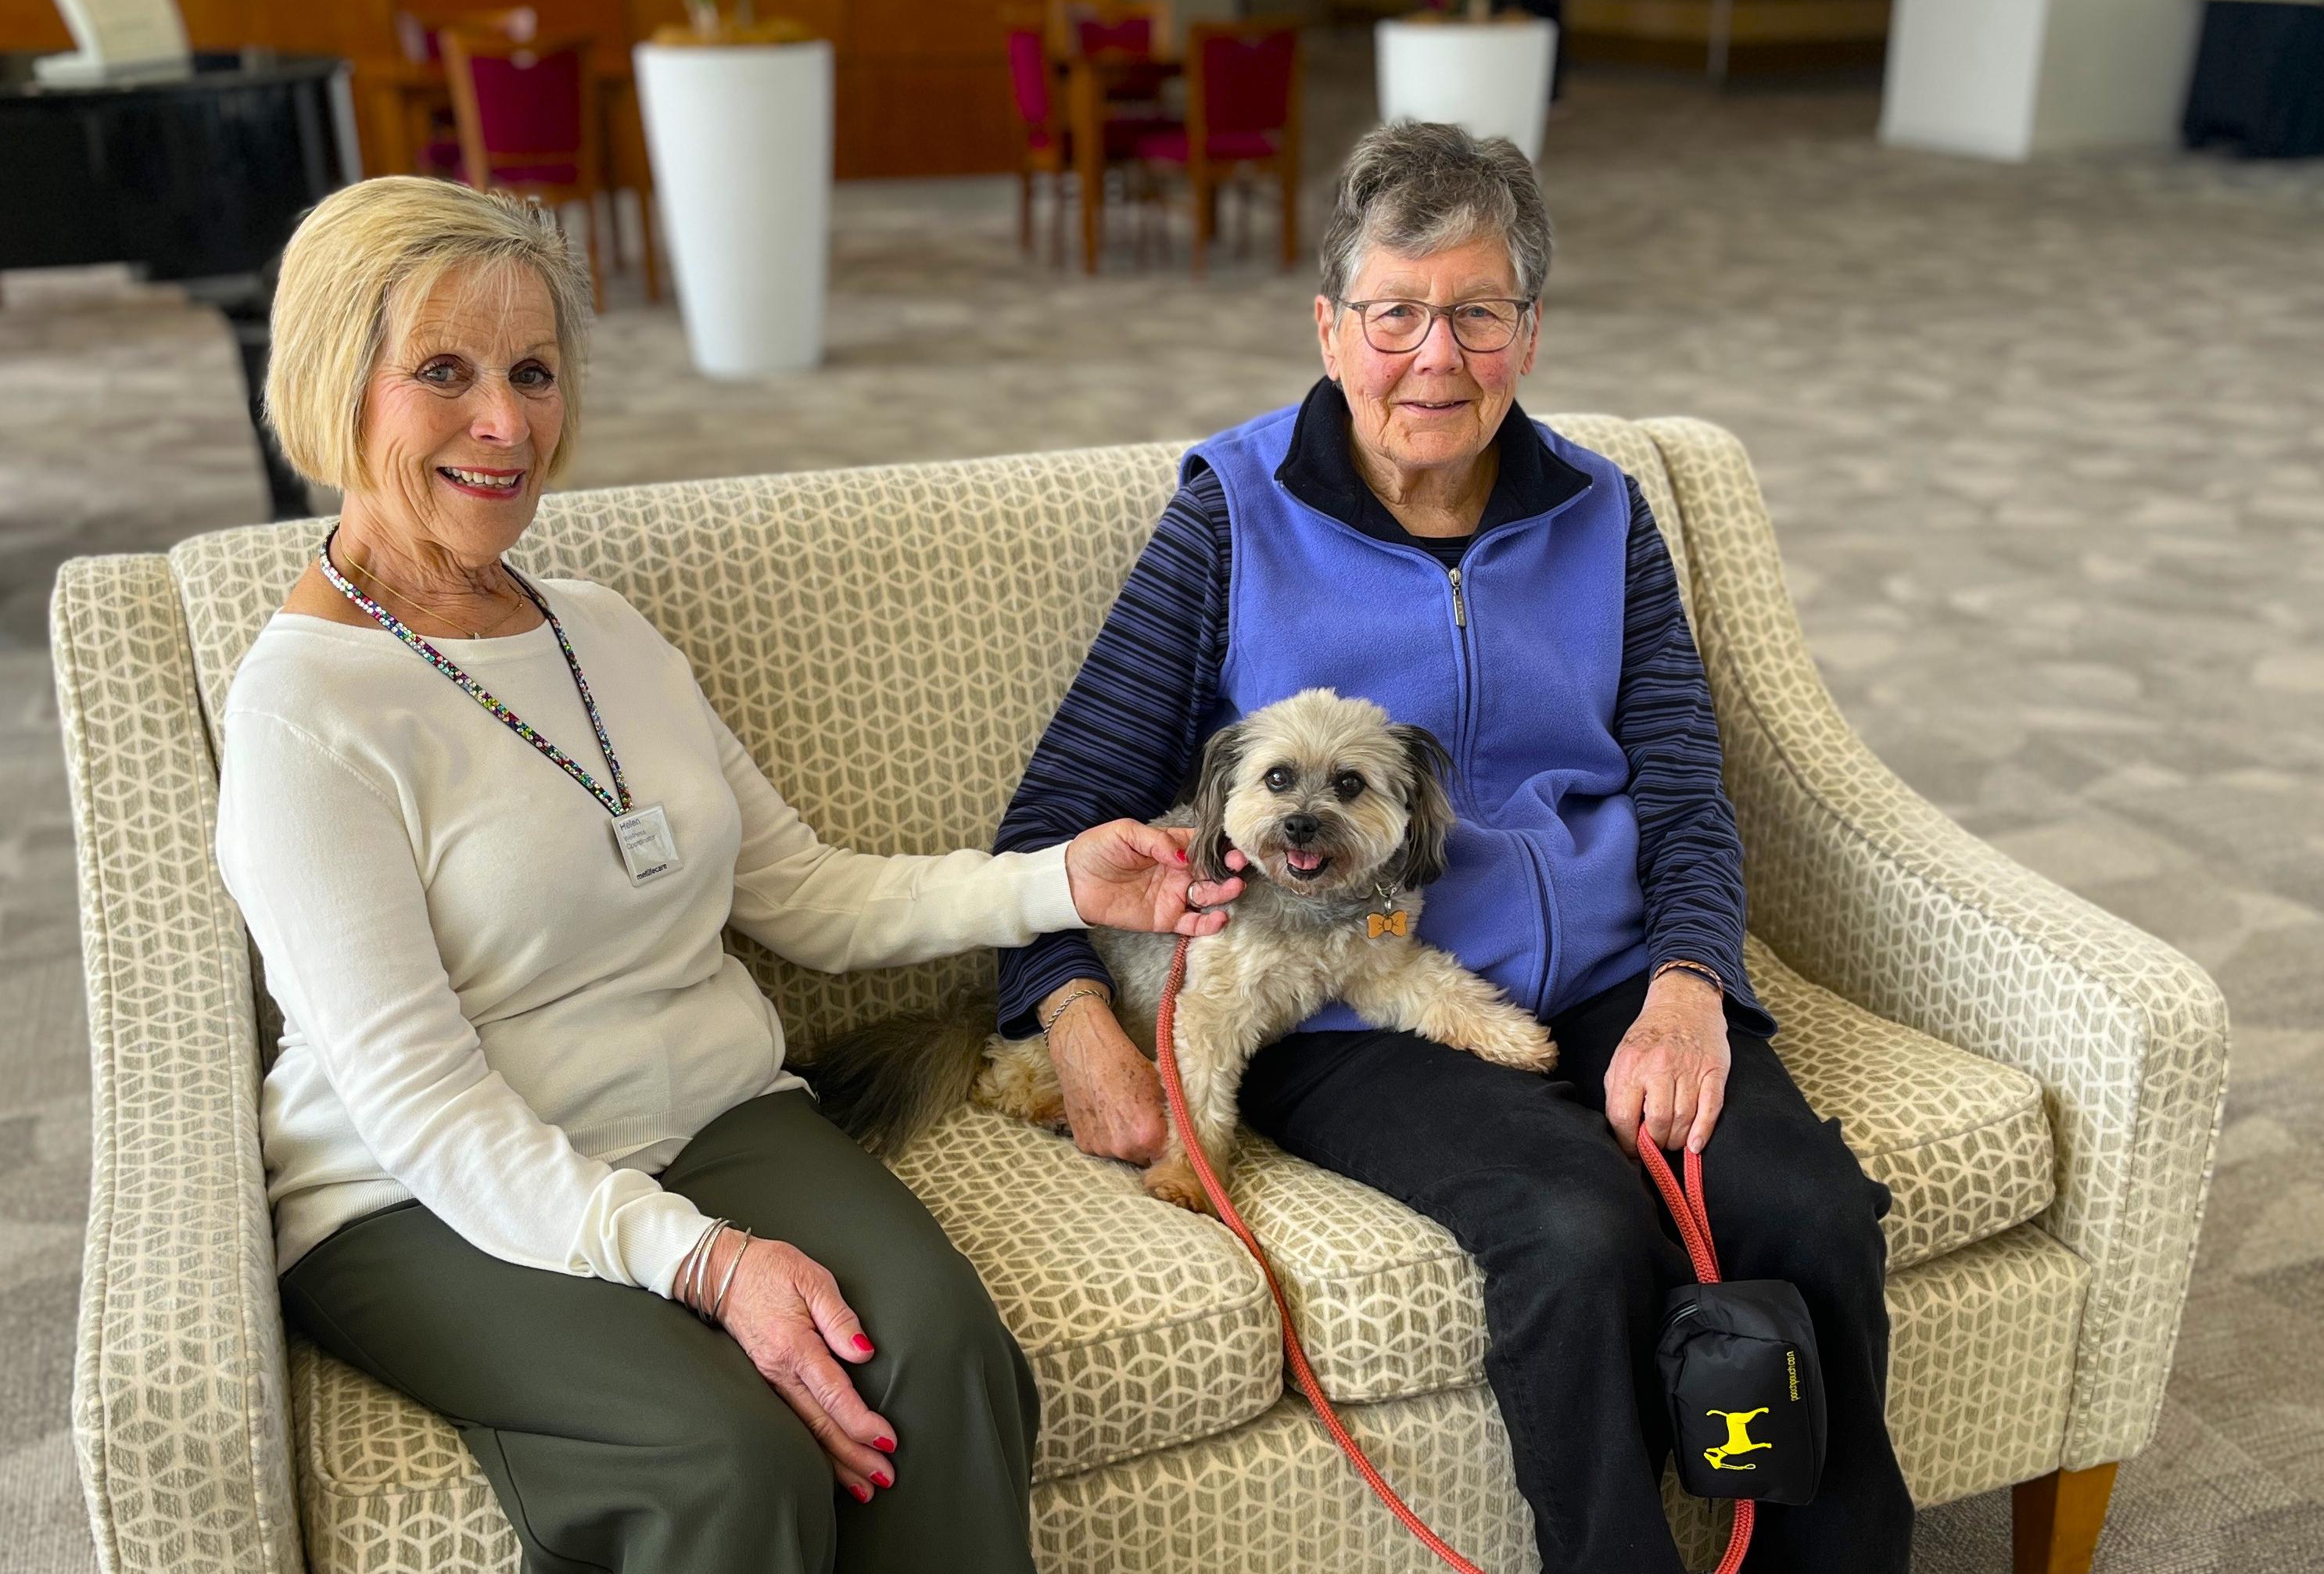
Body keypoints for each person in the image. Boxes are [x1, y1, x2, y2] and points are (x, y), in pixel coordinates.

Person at [215, 176, 1246, 1574]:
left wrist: (1065, 882)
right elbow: (422, 1102)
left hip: (708, 1113)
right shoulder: (304, 714)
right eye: (443, 373)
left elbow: (808, 894)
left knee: (935, 1351)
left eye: (533, 370)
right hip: (421, 1190)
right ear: (340, 383)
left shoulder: (603, 631)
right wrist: (707, 1261)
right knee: (724, 1457)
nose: (506, 423)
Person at [992, 121, 1915, 1572]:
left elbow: (1684, 787)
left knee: (1803, 1205)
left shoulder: (1607, 514)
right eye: (1396, 311)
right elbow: (1054, 821)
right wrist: (1079, 1024)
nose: (1436, 356)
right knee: (1577, 1228)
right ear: (1329, 325)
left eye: (1477, 313)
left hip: (1612, 970)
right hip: (1358, 992)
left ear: (1530, 332)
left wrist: (1688, 981)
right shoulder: (1229, 513)